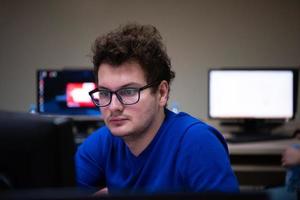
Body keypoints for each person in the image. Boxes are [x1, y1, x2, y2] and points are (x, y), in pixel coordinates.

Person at [75, 23, 239, 194]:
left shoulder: (197, 142)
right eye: (104, 92)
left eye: (129, 91)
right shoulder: (99, 145)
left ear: (161, 93)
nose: (114, 106)